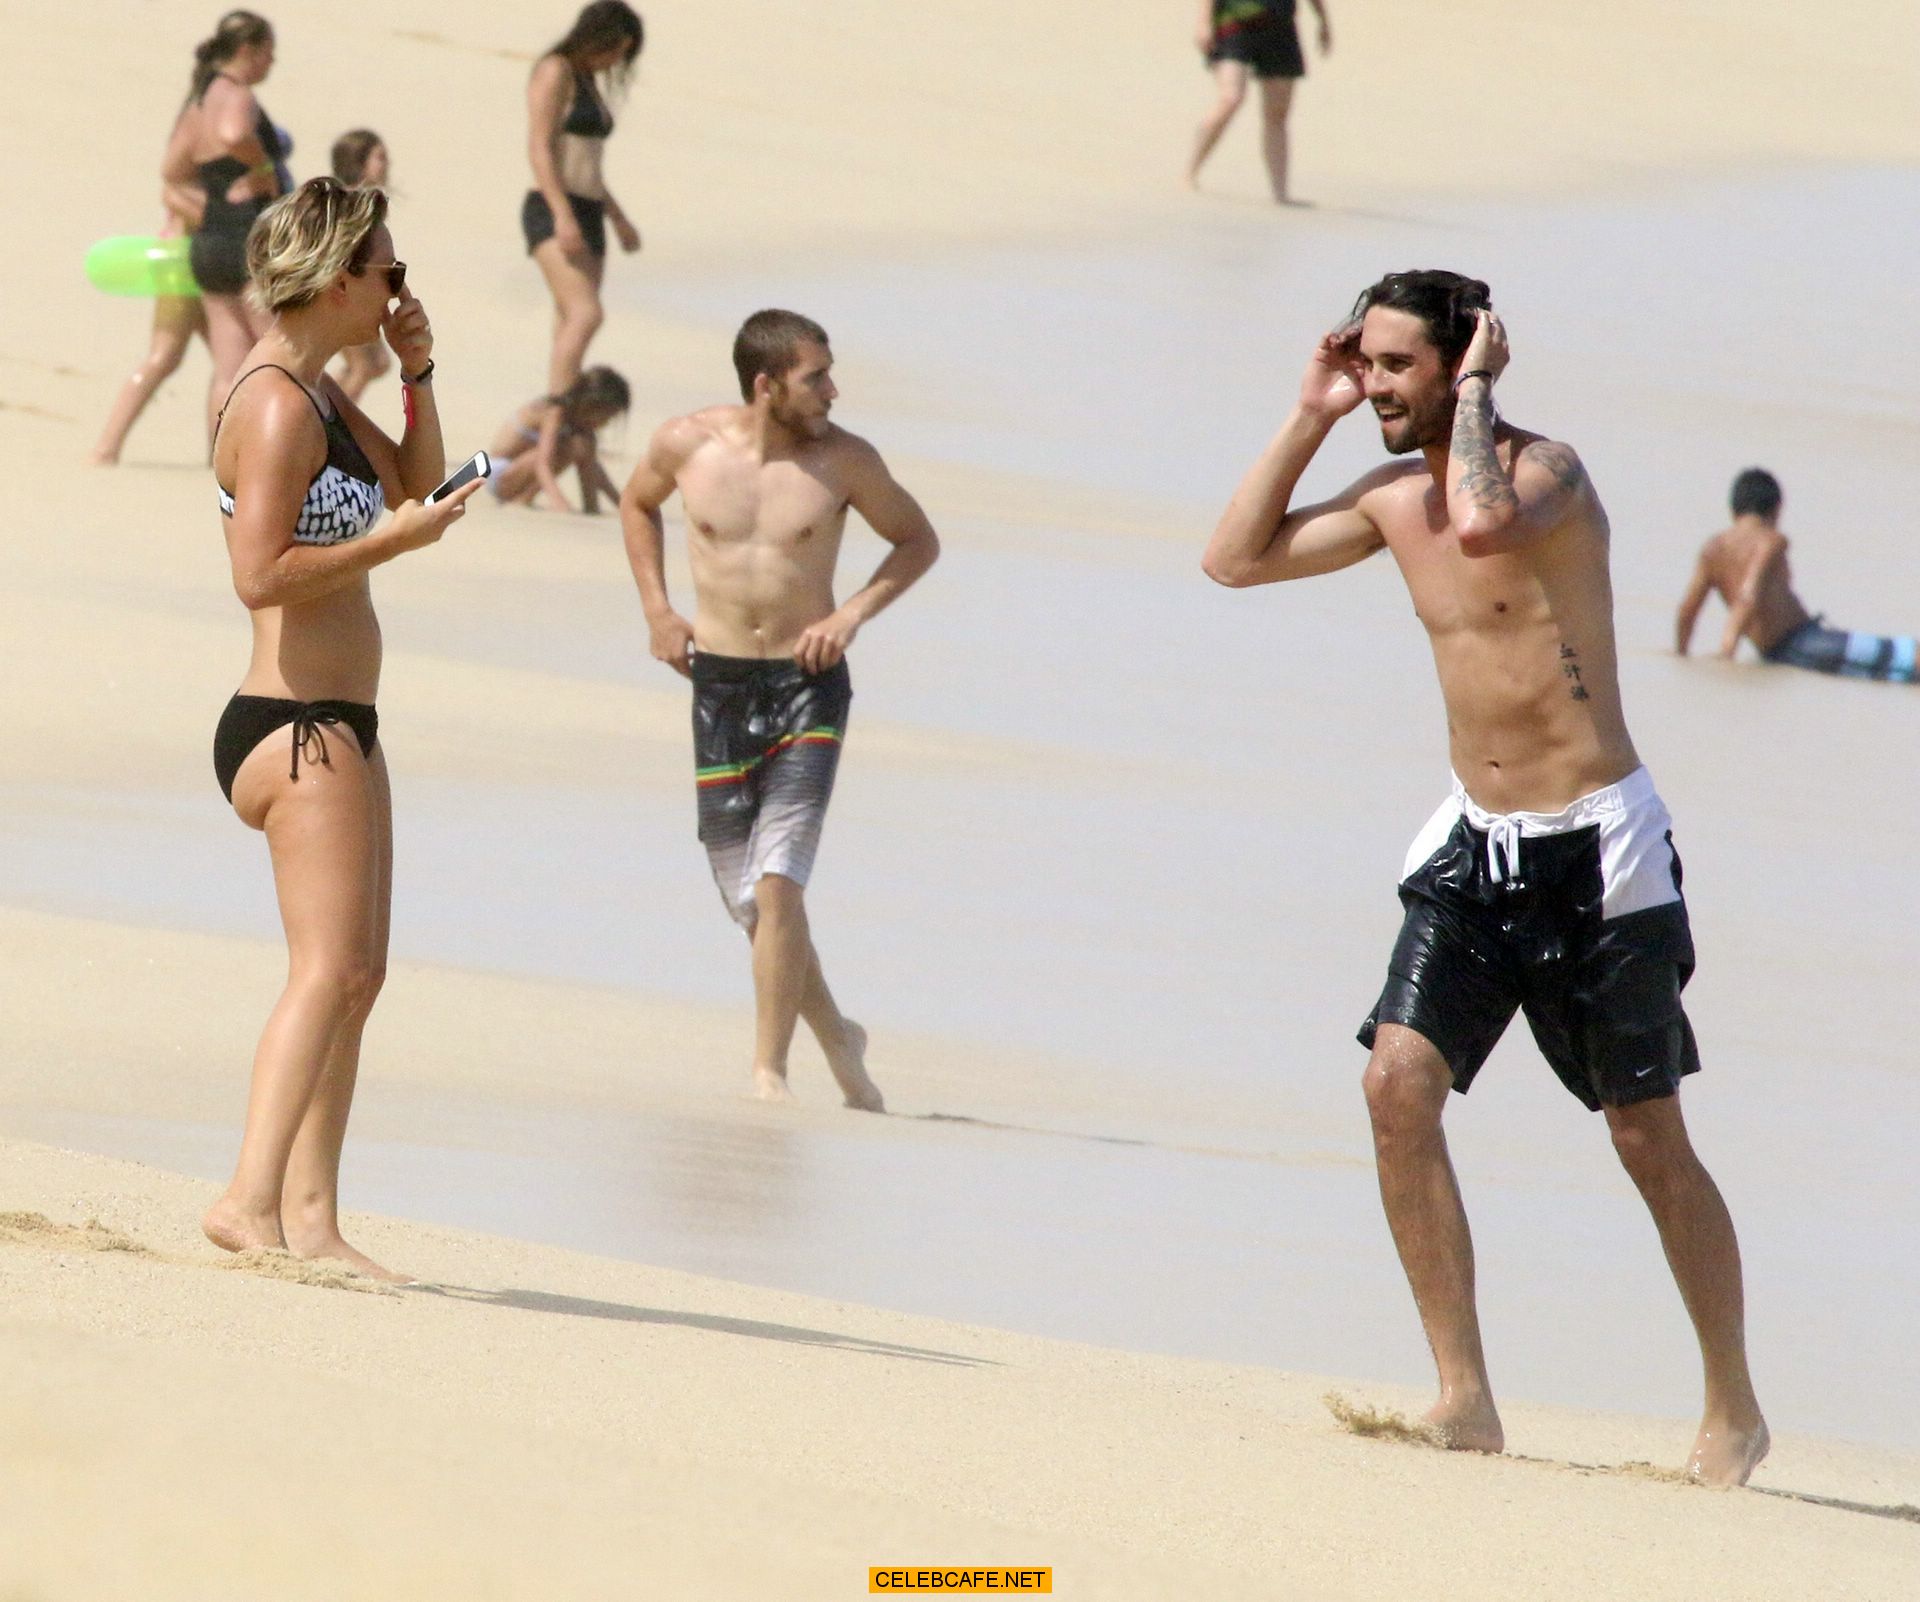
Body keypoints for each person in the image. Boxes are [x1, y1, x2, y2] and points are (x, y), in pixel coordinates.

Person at [1203, 270, 1769, 1486]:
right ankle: (1463, 1397)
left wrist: (1472, 397)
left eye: (1394, 366)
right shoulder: (1388, 498)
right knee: (1395, 1085)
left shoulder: (1548, 473)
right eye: (1365, 363)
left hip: (1599, 850)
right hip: (1474, 845)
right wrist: (1310, 412)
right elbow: (1232, 561)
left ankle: (1733, 1405)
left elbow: (1484, 524)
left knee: (1645, 1137)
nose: (1374, 387)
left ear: (1462, 365)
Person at [201, 177, 480, 1281]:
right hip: (293, 722)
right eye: (387, 272)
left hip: (343, 722)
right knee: (323, 971)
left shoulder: (319, 393)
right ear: (334, 279)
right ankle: (247, 1200)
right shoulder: (274, 404)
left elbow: (417, 484)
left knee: (360, 975)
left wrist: (417, 372)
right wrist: (387, 547)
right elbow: (258, 574)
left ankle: (311, 1217)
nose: (398, 289)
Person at [618, 310, 940, 1110]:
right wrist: (658, 610)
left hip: (807, 685)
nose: (832, 391)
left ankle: (770, 1072)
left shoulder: (845, 461)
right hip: (719, 685)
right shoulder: (685, 444)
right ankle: (839, 1036)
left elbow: (917, 540)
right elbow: (636, 504)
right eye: (815, 377)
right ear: (766, 386)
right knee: (750, 902)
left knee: (778, 882)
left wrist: (850, 615)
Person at [163, 10, 291, 443]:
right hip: (246, 238)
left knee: (228, 368)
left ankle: (218, 457)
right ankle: (278, 450)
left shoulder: (199, 99)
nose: (271, 63)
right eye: (268, 54)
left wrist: (209, 209)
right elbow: (234, 133)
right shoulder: (237, 95)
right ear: (247, 50)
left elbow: (171, 170)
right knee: (279, 355)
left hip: (210, 242)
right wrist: (264, 166)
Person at [1675, 468, 1917, 682]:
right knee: (1906, 656)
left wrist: (1681, 654)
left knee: (1892, 674)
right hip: (1806, 641)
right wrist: (1727, 649)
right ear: (1776, 509)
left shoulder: (1712, 550)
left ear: (1733, 509)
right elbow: (1749, 596)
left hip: (1775, 654)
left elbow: (1688, 610)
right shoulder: (1771, 540)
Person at [524, 1, 644, 399]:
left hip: (591, 209)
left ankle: (555, 418)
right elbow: (540, 148)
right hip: (553, 205)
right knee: (586, 314)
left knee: (567, 320)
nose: (615, 61)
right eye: (615, 50)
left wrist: (618, 218)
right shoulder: (555, 70)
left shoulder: (587, 79)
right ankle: (555, 409)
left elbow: (587, 164)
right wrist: (562, 215)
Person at [91, 106, 210, 464]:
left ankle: (218, 458)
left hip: (189, 263)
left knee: (224, 363)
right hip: (183, 265)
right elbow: (179, 201)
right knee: (166, 356)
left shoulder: (192, 169)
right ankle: (106, 448)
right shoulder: (194, 174)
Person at [1187, 0, 1331, 203]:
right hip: (1234, 21)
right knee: (1231, 98)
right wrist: (1203, 21)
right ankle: (1190, 171)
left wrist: (1323, 21)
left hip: (1279, 25)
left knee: (1277, 113)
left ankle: (1280, 193)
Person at [485, 364, 629, 513]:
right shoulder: (555, 412)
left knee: (585, 445)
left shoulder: (580, 426)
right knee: (574, 447)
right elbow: (543, 464)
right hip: (500, 473)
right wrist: (561, 504)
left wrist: (622, 504)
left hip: (521, 468)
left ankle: (591, 507)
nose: (606, 423)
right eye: (607, 416)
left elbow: (593, 467)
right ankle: (522, 499)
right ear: (593, 406)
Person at [329, 129, 392, 403]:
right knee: (363, 366)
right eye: (380, 157)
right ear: (359, 161)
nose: (387, 164)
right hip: (339, 292)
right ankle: (328, 422)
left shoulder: (362, 199)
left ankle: (321, 406)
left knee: (377, 363)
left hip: (352, 292)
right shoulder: (352, 202)